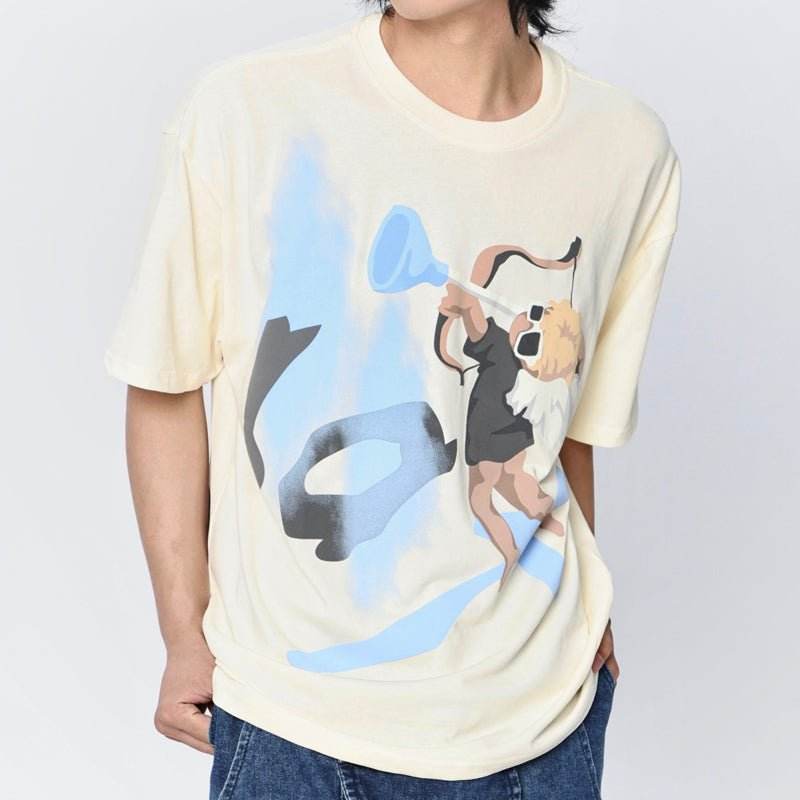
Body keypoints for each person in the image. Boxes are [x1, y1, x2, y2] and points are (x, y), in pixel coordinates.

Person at [105, 0, 680, 797]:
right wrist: (183, 634)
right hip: (289, 725)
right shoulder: (244, 110)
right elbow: (164, 382)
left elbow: (565, 425)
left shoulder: (626, 149)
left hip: (539, 732)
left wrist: (580, 613)